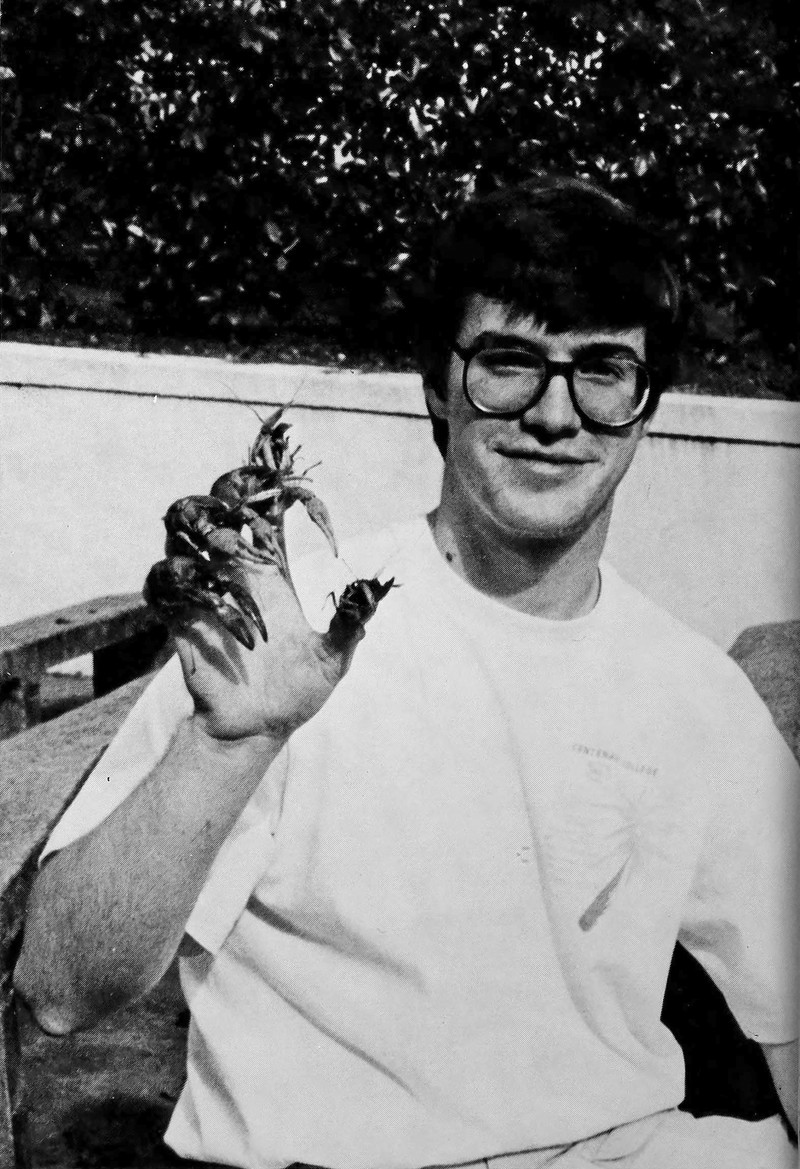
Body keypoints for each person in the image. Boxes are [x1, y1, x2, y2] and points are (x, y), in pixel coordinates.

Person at [15, 175, 798, 1168]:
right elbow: (59, 985)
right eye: (508, 362)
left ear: (646, 405)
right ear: (437, 383)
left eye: (603, 369)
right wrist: (229, 743)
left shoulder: (692, 692)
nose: (555, 415)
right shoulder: (284, 635)